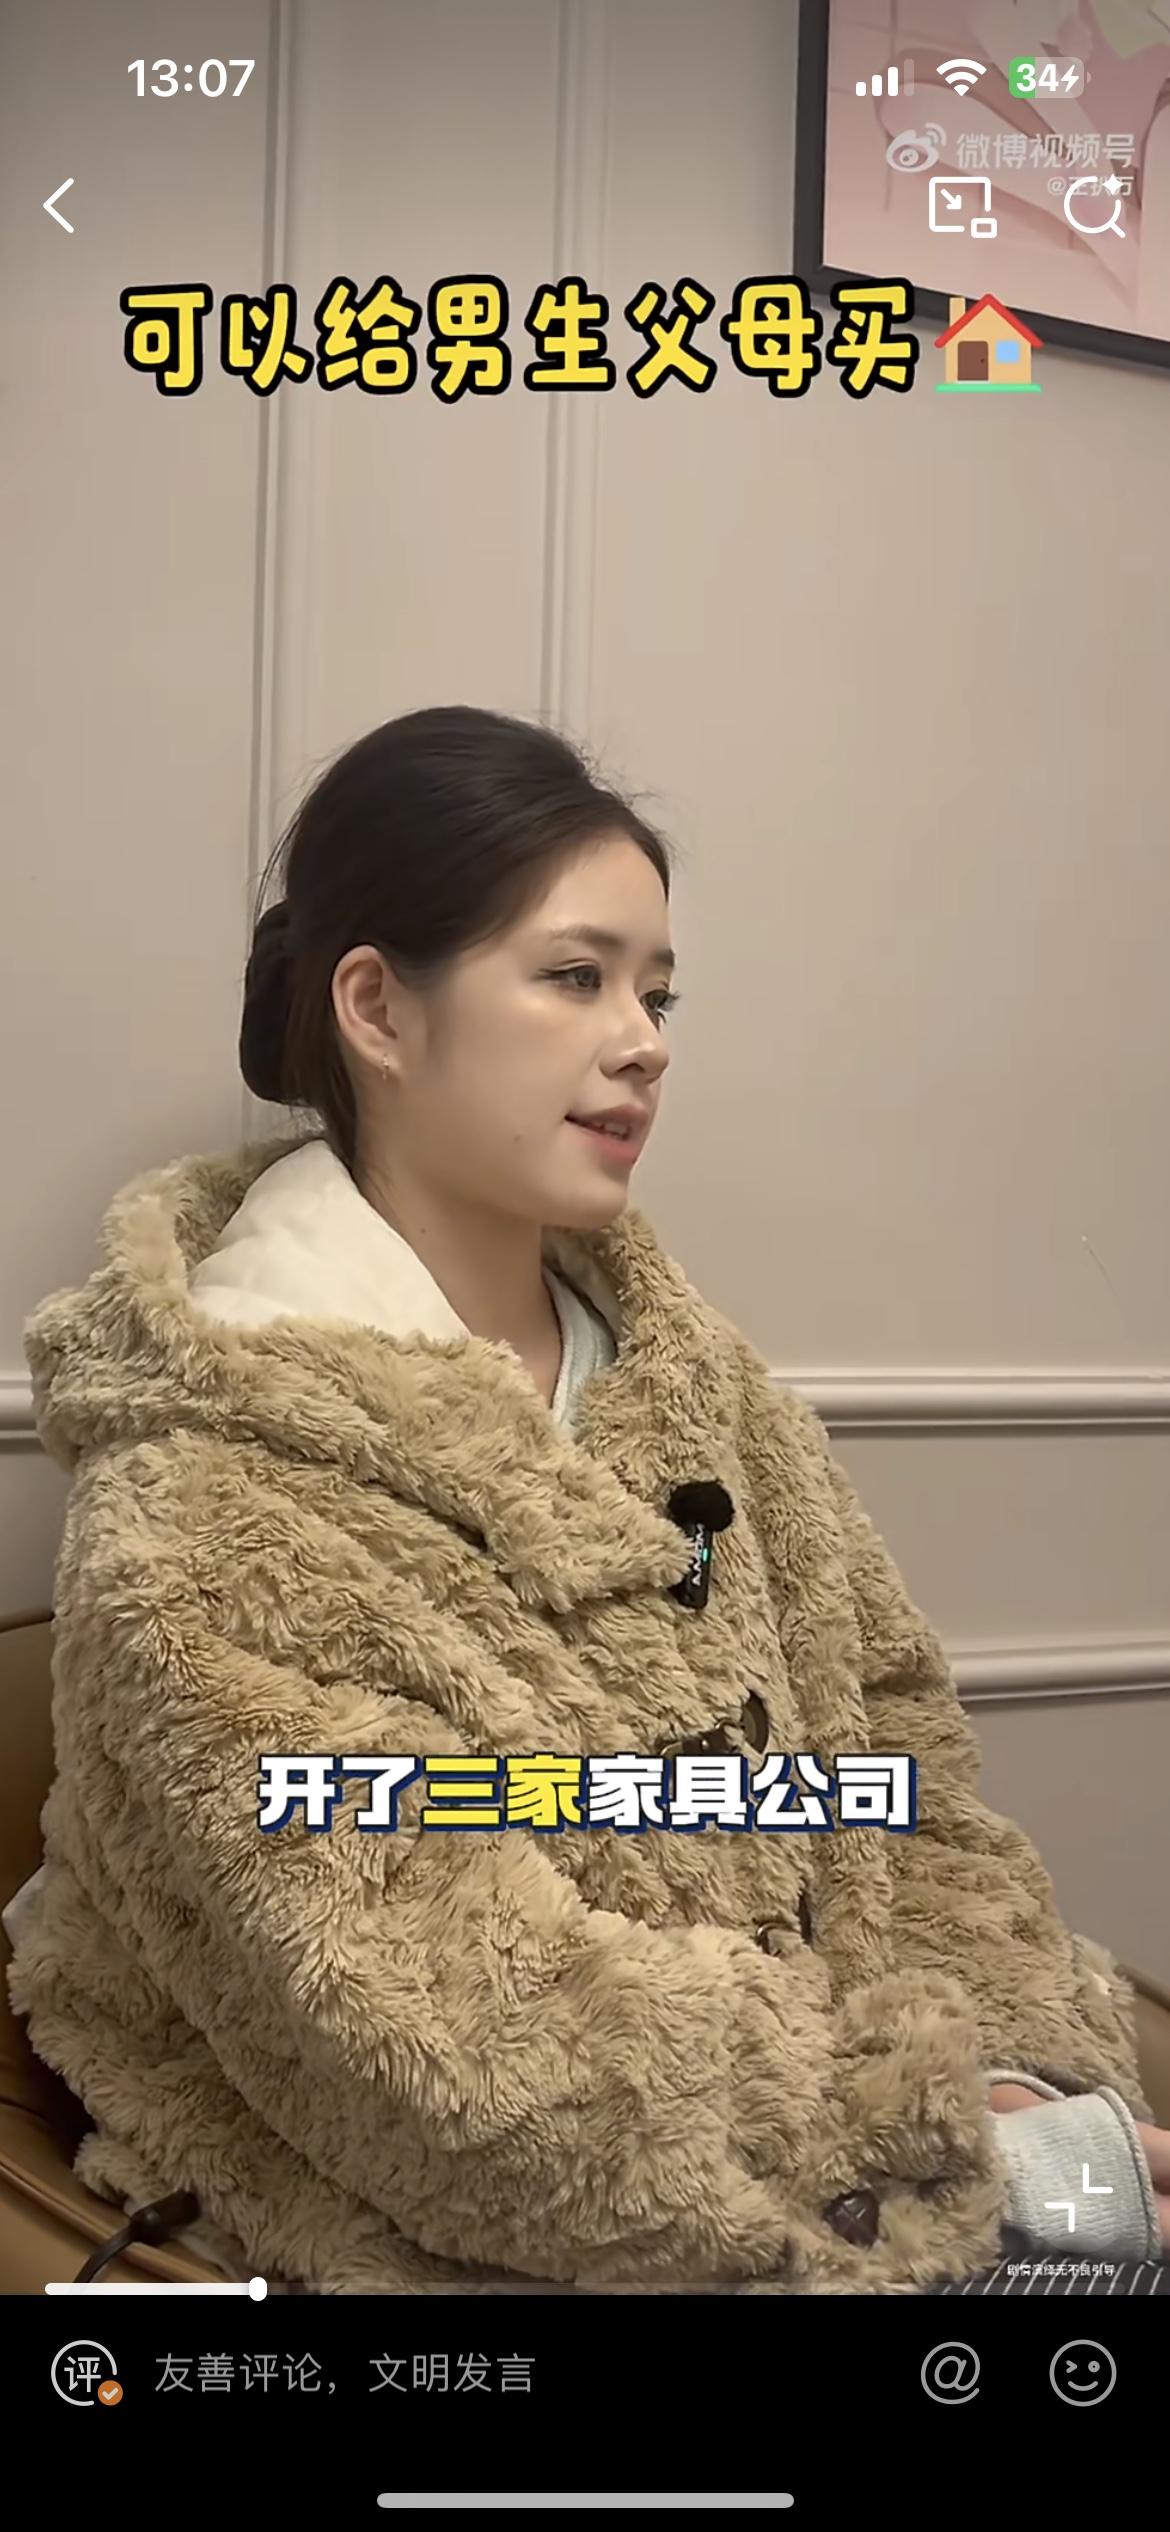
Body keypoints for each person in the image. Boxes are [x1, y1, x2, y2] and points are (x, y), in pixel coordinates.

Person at [5, 704, 1168, 2297]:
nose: (643, 1040)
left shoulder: (699, 1390)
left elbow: (898, 1762)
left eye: (656, 992)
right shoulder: (199, 1506)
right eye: (574, 977)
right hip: (500, 2231)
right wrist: (947, 2144)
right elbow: (449, 2038)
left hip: (872, 2159)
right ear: (376, 1007)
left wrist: (1024, 2072)